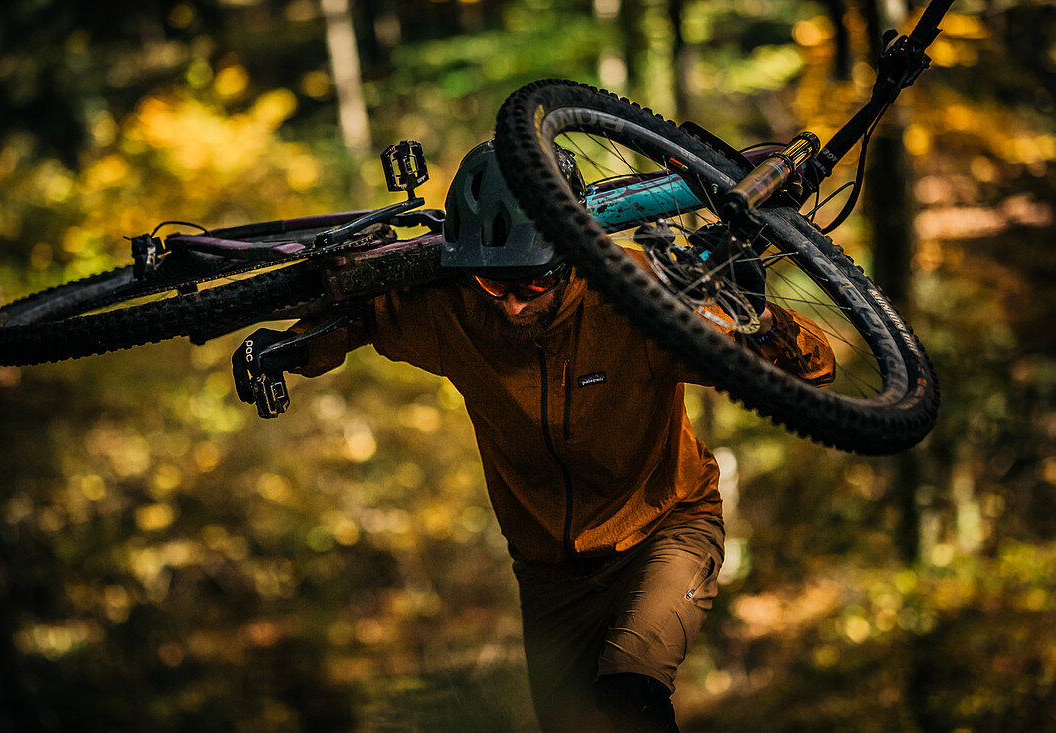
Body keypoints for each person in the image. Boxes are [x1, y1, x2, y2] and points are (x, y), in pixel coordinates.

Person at [232, 140, 835, 732]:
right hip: (548, 572)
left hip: (665, 529)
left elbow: (811, 369)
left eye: (533, 286)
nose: (514, 306)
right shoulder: (452, 310)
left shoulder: (638, 299)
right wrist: (281, 351)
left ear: (572, 257)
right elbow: (359, 316)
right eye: (496, 285)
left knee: (631, 693)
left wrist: (762, 321)